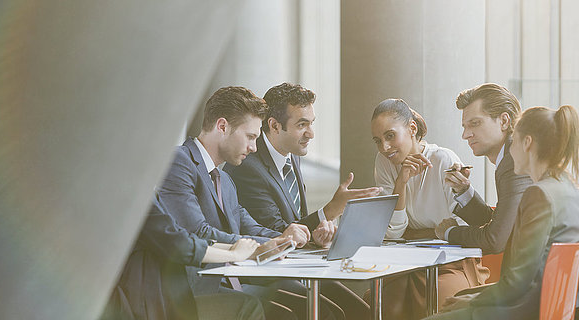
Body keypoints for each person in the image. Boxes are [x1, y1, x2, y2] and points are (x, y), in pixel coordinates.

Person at [156, 86, 342, 320]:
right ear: (222, 127)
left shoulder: (224, 179)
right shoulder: (180, 161)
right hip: (189, 293)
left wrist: (284, 239)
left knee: (308, 308)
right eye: (251, 137)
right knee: (287, 310)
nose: (254, 147)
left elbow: (250, 227)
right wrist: (256, 248)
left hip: (225, 282)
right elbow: (197, 232)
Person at [225, 82, 379, 319]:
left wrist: (320, 230)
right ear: (274, 125)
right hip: (266, 272)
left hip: (293, 264)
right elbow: (279, 232)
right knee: (328, 313)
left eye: (311, 123)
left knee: (361, 311)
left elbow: (294, 225)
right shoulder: (248, 166)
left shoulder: (290, 155)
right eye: (302, 125)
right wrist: (328, 211)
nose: (311, 133)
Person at [425, 105, 579, 320]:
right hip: (543, 304)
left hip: (524, 310)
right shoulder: (568, 187)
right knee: (460, 297)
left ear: (527, 143)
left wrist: (473, 301)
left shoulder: (539, 194)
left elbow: (518, 281)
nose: (510, 150)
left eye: (513, 141)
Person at [368, 98, 488, 319]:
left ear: (412, 128)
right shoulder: (384, 162)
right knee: (378, 304)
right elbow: (393, 232)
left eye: (390, 136)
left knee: (445, 302)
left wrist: (416, 233)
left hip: (450, 262)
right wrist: (400, 183)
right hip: (404, 263)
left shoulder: (443, 160)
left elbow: (458, 229)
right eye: (378, 140)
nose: (384, 147)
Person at [100, 201, 264, 320]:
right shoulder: (139, 197)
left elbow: (180, 238)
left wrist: (246, 251)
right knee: (247, 305)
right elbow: (179, 244)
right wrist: (234, 256)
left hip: (150, 300)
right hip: (146, 307)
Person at [434, 83, 532, 254]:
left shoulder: (515, 163)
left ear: (503, 121)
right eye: (465, 126)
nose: (466, 135)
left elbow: (494, 240)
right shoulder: (509, 158)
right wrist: (463, 190)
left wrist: (449, 233)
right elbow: (499, 226)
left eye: (475, 123)